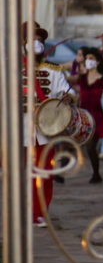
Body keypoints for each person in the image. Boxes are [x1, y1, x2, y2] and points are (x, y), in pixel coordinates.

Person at [22, 22, 75, 226]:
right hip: (21, 130)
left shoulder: (53, 70)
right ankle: (25, 211)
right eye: (32, 39)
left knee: (44, 173)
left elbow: (68, 91)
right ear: (24, 43)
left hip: (46, 129)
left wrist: (67, 97)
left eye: (40, 40)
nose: (36, 43)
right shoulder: (13, 69)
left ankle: (40, 213)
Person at [77, 47, 103, 184]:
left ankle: (96, 173)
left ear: (97, 62)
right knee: (88, 147)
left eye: (91, 59)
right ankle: (96, 173)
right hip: (84, 116)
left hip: (97, 116)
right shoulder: (82, 78)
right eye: (87, 59)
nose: (88, 61)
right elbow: (78, 95)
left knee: (91, 146)